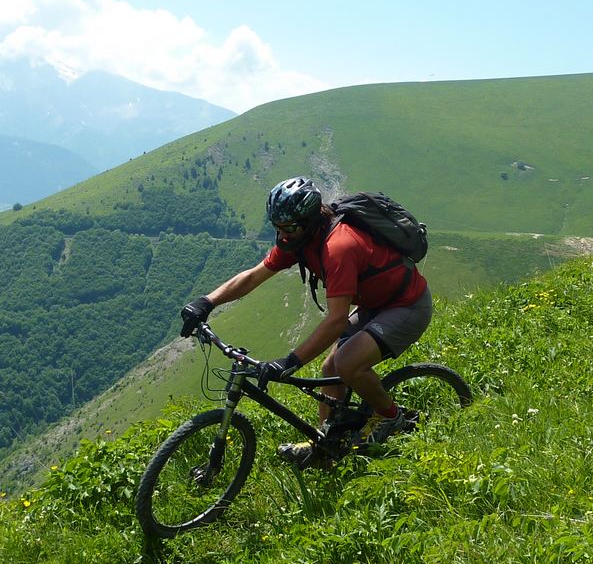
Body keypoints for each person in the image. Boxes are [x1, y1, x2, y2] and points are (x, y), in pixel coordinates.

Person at [179, 176, 433, 465]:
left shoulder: (339, 246)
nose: (282, 235)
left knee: (348, 362)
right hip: (377, 303)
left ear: (310, 219)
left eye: (288, 228)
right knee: (330, 367)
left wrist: (291, 361)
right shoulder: (300, 239)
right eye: (277, 227)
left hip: (408, 305)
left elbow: (336, 320)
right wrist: (207, 301)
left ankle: (391, 418)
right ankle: (323, 443)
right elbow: (254, 275)